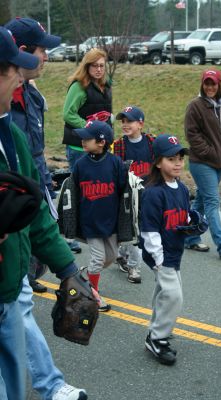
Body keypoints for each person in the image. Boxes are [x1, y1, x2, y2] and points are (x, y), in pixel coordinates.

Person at [0, 26, 87, 400]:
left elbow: (31, 212)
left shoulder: (10, 135)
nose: (21, 75)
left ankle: (49, 384)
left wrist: (68, 270)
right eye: (13, 70)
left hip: (8, 281)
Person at [140, 134, 207, 365]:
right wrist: (158, 260)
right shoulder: (153, 193)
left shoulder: (181, 189)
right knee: (174, 296)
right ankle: (158, 338)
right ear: (158, 162)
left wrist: (191, 221)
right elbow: (149, 231)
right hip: (161, 253)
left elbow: (183, 215)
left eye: (180, 157)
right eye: (171, 159)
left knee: (163, 293)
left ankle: (154, 331)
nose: (178, 163)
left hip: (175, 250)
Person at [5, 16, 61, 293]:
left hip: (35, 181)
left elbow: (35, 151)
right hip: (13, 193)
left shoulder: (32, 95)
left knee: (43, 246)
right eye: (42, 50)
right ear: (23, 52)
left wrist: (45, 179)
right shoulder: (5, 103)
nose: (47, 57)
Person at [184, 69, 221, 260]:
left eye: (213, 83)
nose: (210, 87)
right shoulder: (195, 106)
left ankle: (190, 237)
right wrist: (210, 152)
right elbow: (191, 134)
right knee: (212, 201)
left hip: (220, 162)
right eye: (206, 83)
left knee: (201, 200)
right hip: (202, 162)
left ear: (219, 84)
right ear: (202, 84)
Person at [72, 120, 126, 311]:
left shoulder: (115, 163)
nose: (83, 142)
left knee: (111, 257)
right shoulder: (80, 165)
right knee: (97, 258)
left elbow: (122, 190)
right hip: (90, 221)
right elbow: (75, 192)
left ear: (102, 142)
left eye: (88, 139)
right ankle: (92, 293)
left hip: (110, 221)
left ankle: (84, 275)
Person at [63, 47, 112, 253]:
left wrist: (108, 138)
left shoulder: (105, 86)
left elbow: (107, 116)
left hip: (99, 147)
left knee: (95, 190)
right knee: (77, 191)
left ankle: (90, 230)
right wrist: (90, 129)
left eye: (102, 65)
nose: (99, 69)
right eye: (95, 66)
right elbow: (68, 114)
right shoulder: (79, 87)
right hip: (78, 146)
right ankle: (69, 235)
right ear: (87, 66)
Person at [114, 105, 155, 284]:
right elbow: (116, 171)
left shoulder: (151, 143)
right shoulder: (118, 145)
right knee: (133, 231)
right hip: (128, 195)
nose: (125, 124)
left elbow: (158, 166)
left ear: (140, 123)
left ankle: (126, 258)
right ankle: (131, 264)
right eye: (123, 121)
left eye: (129, 121)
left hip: (147, 193)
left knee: (140, 231)